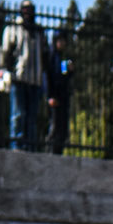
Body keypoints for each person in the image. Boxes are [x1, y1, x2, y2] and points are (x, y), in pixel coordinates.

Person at [0, 0, 48, 151]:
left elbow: (45, 54)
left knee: (32, 117)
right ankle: (17, 144)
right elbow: (5, 51)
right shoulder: (13, 28)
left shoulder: (39, 31)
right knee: (18, 114)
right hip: (18, 77)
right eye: (25, 9)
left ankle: (30, 145)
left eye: (30, 9)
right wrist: (4, 69)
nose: (28, 12)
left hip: (35, 79)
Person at [46, 26, 73, 154]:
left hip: (63, 97)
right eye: (59, 40)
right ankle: (50, 151)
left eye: (63, 41)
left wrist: (70, 71)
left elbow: (63, 76)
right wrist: (50, 96)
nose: (61, 43)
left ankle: (58, 151)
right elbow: (49, 76)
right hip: (54, 96)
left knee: (63, 128)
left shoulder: (62, 57)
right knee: (54, 127)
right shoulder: (52, 56)